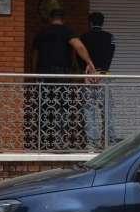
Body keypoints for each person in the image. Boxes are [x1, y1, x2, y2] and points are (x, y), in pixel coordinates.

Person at [30, 8, 95, 150]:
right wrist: (89, 63)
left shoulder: (42, 33)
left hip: (44, 74)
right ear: (63, 19)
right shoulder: (67, 31)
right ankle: (60, 140)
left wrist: (34, 73)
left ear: (50, 18)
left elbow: (35, 55)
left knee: (44, 106)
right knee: (62, 106)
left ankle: (45, 142)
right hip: (62, 74)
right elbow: (79, 47)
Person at [80, 12, 117, 149]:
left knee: (89, 110)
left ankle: (92, 143)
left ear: (90, 22)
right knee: (107, 109)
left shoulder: (83, 37)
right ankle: (110, 142)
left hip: (88, 76)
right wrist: (102, 72)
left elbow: (79, 56)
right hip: (104, 76)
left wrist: (90, 71)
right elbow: (110, 55)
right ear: (103, 22)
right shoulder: (110, 37)